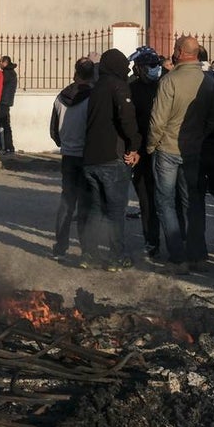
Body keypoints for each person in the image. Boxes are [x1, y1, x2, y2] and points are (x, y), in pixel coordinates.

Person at [147, 36, 214, 274]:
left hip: (167, 148)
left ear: (179, 52)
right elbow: (213, 119)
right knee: (193, 203)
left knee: (166, 202)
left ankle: (177, 258)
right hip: (194, 150)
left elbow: (158, 120)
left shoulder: (169, 80)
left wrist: (151, 145)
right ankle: (198, 256)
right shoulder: (208, 82)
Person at [81, 48, 142, 270]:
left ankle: (89, 254)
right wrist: (134, 145)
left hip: (91, 158)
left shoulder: (96, 87)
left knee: (96, 208)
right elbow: (127, 118)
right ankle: (116, 257)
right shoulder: (118, 86)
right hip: (112, 157)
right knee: (116, 210)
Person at [51, 57, 96, 259]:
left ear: (75, 74)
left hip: (68, 155)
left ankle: (60, 246)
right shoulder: (93, 98)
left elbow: (54, 130)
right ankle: (87, 249)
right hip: (86, 155)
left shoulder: (60, 98)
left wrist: (64, 143)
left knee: (67, 201)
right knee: (86, 204)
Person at [127, 46, 163, 259]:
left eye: (155, 64)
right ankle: (152, 240)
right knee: (147, 199)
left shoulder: (165, 85)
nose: (154, 68)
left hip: (162, 151)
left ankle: (174, 242)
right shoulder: (132, 89)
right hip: (143, 153)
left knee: (165, 200)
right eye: (150, 65)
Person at [0, 55, 18, 154]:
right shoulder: (10, 72)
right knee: (5, 125)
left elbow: (0, 84)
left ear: (5, 63)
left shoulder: (7, 73)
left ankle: (7, 147)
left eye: (0, 62)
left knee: (3, 125)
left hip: (3, 102)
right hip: (6, 101)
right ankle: (8, 147)